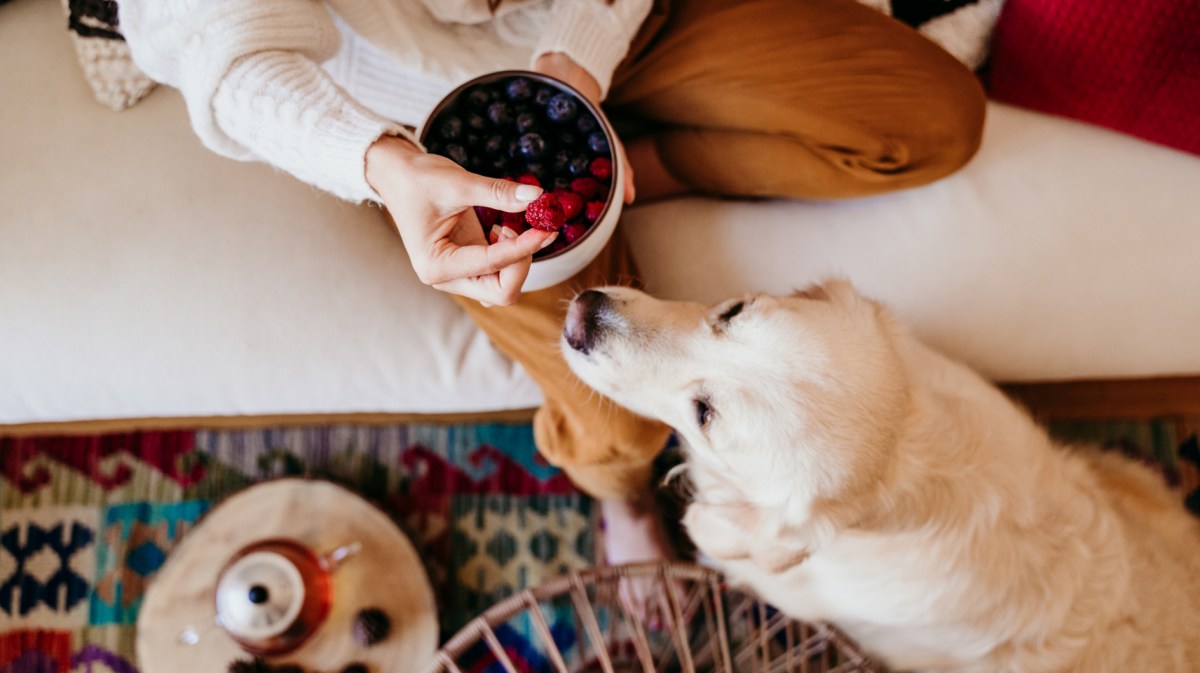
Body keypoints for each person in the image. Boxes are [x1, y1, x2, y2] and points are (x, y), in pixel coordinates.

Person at [119, 0, 986, 566]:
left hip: (617, 21)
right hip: (420, 128)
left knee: (934, 121)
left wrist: (581, 57)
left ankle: (642, 167)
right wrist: (379, 164)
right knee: (620, 425)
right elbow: (219, 43)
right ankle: (618, 496)